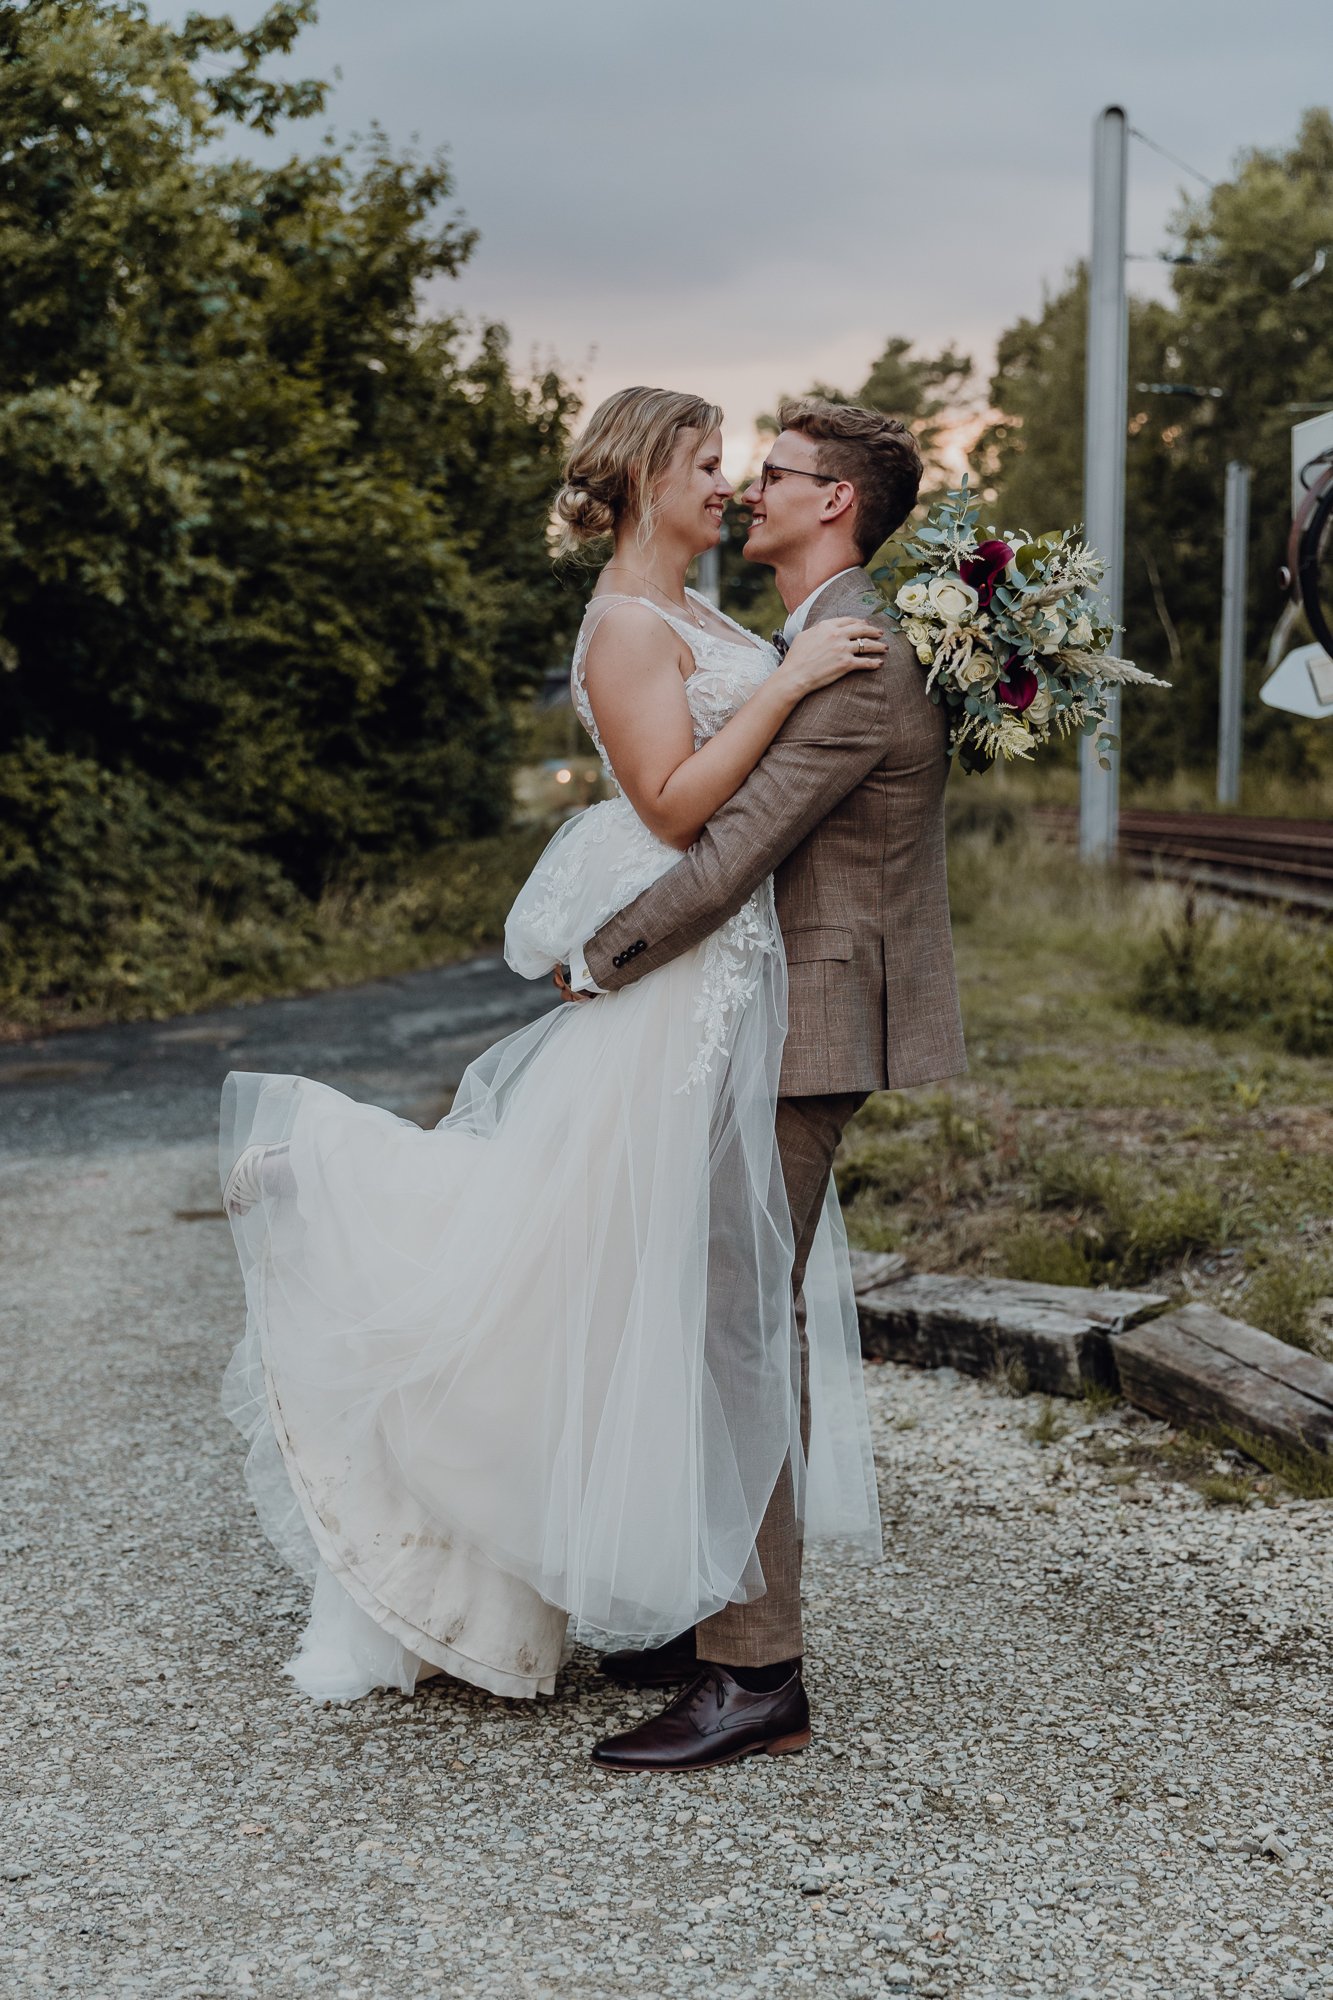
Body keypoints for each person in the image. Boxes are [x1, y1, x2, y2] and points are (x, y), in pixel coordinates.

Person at [218, 386, 886, 1724]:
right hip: (671, 977)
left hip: (722, 976)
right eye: (706, 463)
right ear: (645, 481)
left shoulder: (706, 618)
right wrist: (799, 681)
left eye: (738, 465)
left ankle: (662, 1589)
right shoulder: (623, 629)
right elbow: (676, 802)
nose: (731, 485)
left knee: (636, 1287)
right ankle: (339, 1200)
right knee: (572, 1262)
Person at [565, 398, 966, 1773]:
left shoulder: (846, 655)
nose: (748, 494)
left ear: (834, 502)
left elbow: (730, 848)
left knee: (740, 1323)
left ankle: (755, 1674)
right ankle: (714, 1619)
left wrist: (599, 955)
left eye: (775, 477)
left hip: (807, 1019)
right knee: (720, 1310)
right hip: (766, 1009)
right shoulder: (810, 636)